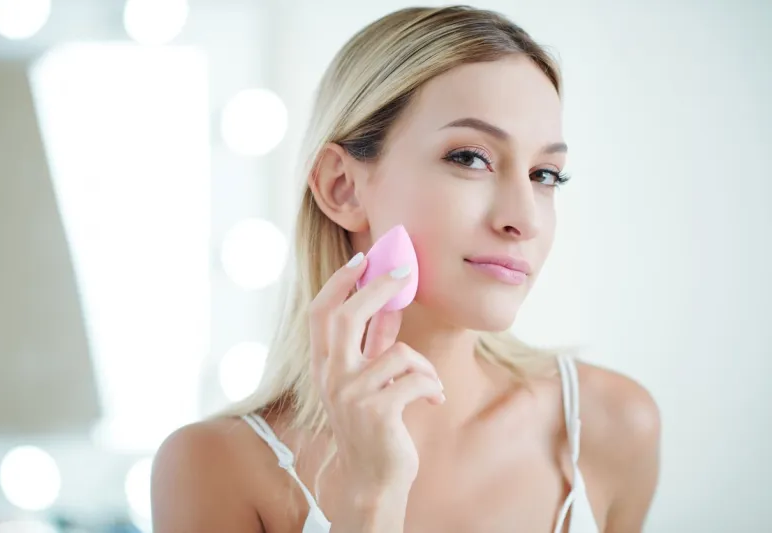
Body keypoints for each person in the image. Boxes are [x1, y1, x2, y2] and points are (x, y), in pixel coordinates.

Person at [150, 5, 661, 533]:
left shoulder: (610, 424)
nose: (524, 218)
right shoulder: (215, 469)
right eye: (470, 158)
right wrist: (373, 498)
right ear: (342, 187)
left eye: (545, 174)